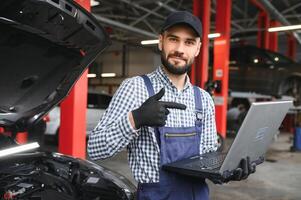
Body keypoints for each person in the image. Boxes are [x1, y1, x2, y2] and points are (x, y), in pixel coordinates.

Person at [88, 11, 255, 200]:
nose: (180, 49)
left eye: (189, 42)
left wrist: (227, 171)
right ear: (161, 41)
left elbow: (208, 158)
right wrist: (135, 119)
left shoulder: (204, 99)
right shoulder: (135, 88)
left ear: (198, 49)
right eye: (173, 39)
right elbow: (95, 149)